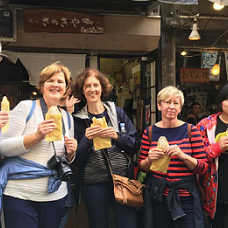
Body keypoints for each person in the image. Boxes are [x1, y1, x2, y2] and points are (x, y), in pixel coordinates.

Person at [0, 62, 77, 228]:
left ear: (66, 88)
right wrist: (36, 136)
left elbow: (64, 157)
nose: (55, 84)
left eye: (60, 81)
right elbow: (3, 146)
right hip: (21, 197)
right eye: (50, 80)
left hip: (55, 196)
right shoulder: (25, 108)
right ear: (42, 86)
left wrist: (71, 152)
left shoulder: (67, 117)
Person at [72, 68, 140, 228]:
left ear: (102, 88)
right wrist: (86, 139)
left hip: (122, 179)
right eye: (87, 86)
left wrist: (117, 136)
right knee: (98, 224)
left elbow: (135, 144)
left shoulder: (117, 113)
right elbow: (77, 160)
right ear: (82, 89)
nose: (92, 89)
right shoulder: (77, 120)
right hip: (93, 183)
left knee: (128, 224)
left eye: (96, 85)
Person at [138, 85, 208, 228]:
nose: (171, 107)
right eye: (167, 102)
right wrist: (149, 159)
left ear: (180, 108)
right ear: (159, 105)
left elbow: (203, 167)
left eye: (176, 103)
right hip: (158, 196)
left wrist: (183, 156)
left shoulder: (191, 131)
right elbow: (143, 168)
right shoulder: (150, 132)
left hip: (186, 197)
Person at [197, 83, 228, 228]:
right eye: (227, 99)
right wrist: (217, 148)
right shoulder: (205, 125)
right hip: (215, 191)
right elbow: (196, 157)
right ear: (220, 102)